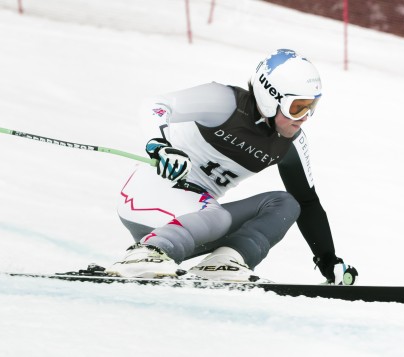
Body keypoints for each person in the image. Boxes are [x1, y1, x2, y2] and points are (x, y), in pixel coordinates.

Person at [105, 49, 351, 284]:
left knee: (285, 204)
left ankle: (226, 261)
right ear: (270, 97)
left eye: (311, 106)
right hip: (148, 194)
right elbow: (156, 104)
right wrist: (159, 145)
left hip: (194, 219)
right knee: (217, 216)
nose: (305, 117)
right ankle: (149, 252)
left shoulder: (290, 143)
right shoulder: (224, 103)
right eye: (297, 107)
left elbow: (308, 203)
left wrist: (328, 261)